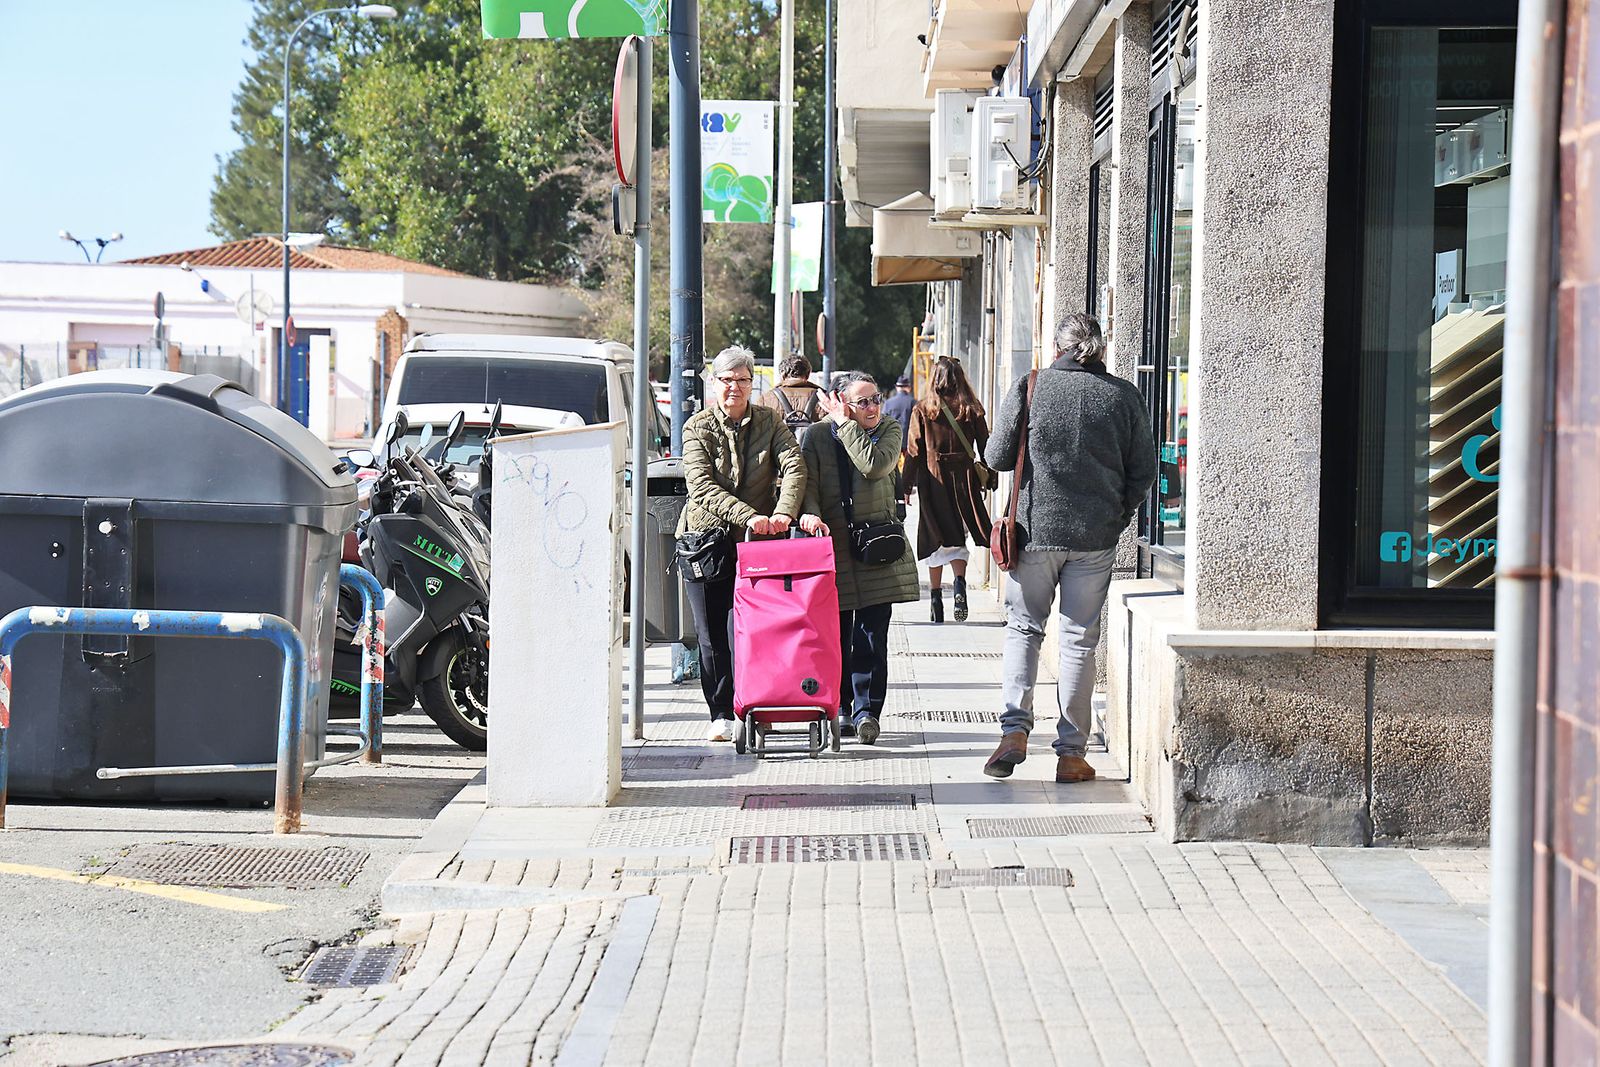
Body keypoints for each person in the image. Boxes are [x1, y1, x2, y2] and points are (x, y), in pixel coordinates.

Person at [980, 313, 1156, 783]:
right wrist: (1117, 516)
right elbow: (1144, 471)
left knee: (1024, 628)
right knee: (1079, 639)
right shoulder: (1123, 396)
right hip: (1095, 538)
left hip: (1035, 531)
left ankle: (1014, 731)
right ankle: (1071, 754)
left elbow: (996, 458)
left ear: (1057, 346)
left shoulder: (1032, 386)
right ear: (1100, 349)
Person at [678, 345, 808, 741]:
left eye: (743, 380)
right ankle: (720, 711)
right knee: (712, 632)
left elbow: (794, 465)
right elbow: (701, 485)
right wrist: (749, 516)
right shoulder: (696, 427)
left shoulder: (770, 420)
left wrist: (784, 511)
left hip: (761, 544)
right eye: (727, 380)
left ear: (753, 384)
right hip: (708, 541)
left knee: (758, 630)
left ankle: (756, 703)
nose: (735, 387)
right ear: (714, 383)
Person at [798, 371, 918, 745]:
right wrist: (811, 513)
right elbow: (809, 483)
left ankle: (868, 711)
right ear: (842, 401)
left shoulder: (889, 430)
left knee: (871, 635)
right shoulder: (817, 436)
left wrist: (845, 426)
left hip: (876, 549)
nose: (872, 407)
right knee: (836, 634)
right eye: (862, 401)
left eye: (876, 399)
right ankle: (842, 706)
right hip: (833, 547)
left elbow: (874, 466)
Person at [903, 357, 992, 623]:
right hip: (964, 481)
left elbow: (914, 450)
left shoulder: (923, 409)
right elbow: (987, 447)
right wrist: (989, 476)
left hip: (933, 481)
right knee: (957, 535)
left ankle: (935, 598)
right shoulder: (972, 408)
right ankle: (960, 584)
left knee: (934, 538)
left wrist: (905, 484)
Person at [758, 354, 824, 429]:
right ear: (808, 375)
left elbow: (759, 431)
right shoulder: (823, 398)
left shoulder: (766, 398)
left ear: (782, 375)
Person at [882, 374, 916, 442]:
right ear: (909, 387)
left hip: (892, 442)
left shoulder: (888, 403)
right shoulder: (913, 402)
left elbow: (882, 422)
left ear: (897, 387)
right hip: (909, 443)